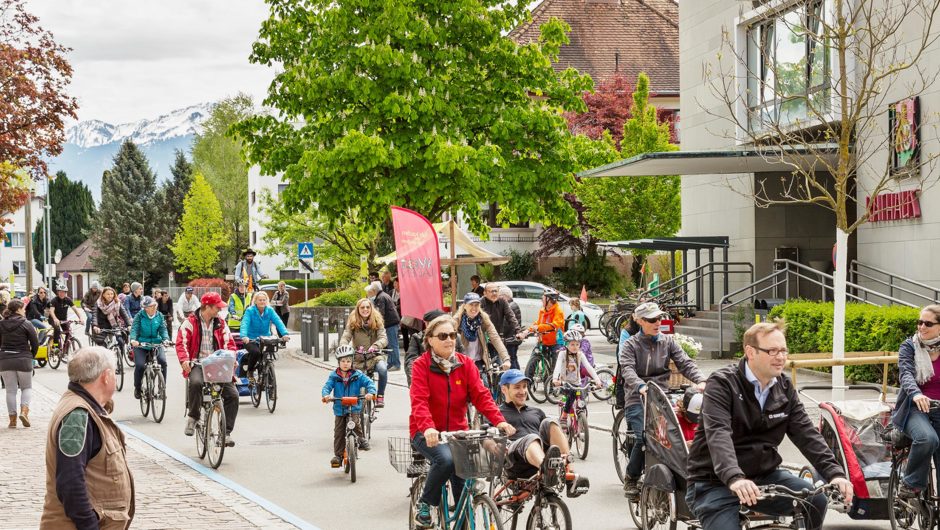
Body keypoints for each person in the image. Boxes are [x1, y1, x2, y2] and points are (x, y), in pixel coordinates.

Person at [686, 321, 853, 530]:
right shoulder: (722, 384)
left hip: (764, 476)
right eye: (772, 351)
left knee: (815, 501)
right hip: (715, 481)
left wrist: (835, 473)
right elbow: (718, 434)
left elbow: (806, 433)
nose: (781, 357)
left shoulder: (784, 387)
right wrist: (734, 478)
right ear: (750, 351)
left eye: (783, 350)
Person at [409, 314, 516, 527]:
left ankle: (463, 519)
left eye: (452, 334)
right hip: (426, 432)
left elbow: (481, 395)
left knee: (463, 484)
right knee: (447, 460)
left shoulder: (465, 364)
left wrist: (499, 421)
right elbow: (419, 401)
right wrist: (428, 428)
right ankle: (425, 504)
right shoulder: (421, 366)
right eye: (442, 336)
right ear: (430, 339)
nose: (449, 339)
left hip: (459, 434)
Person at [40, 346, 135, 529]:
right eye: (115, 373)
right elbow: (70, 481)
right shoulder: (77, 415)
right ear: (106, 376)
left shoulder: (86, 408)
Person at [619, 301, 706, 498]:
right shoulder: (630, 345)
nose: (658, 322)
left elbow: (685, 362)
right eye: (652, 319)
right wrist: (641, 386)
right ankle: (631, 477)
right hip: (637, 396)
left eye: (659, 317)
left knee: (676, 435)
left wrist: (701, 379)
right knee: (645, 437)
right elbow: (628, 370)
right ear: (640, 321)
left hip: (661, 395)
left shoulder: (668, 341)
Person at [499, 368, 590, 497]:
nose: (522, 391)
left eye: (524, 387)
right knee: (531, 438)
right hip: (516, 459)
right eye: (517, 387)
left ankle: (570, 476)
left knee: (550, 422)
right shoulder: (497, 414)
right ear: (504, 389)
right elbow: (488, 442)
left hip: (541, 452)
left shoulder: (536, 411)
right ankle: (547, 470)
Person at [176, 292, 239, 444]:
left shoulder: (221, 323)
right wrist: (185, 360)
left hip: (217, 362)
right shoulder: (190, 322)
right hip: (197, 363)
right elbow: (181, 343)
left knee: (233, 395)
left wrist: (232, 358)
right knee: (196, 383)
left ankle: (226, 433)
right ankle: (193, 417)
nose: (219, 310)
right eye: (217, 307)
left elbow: (229, 343)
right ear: (208, 307)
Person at [891, 304, 940, 499]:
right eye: (919, 322)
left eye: (928, 323)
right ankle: (911, 483)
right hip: (914, 408)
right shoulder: (909, 346)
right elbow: (906, 375)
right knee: (928, 439)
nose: (921, 327)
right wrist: (916, 394)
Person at [322, 345, 377, 464]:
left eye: (348, 361)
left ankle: (361, 440)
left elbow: (369, 383)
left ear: (352, 362)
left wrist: (371, 393)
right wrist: (326, 395)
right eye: (342, 361)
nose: (345, 364)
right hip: (340, 408)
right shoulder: (334, 376)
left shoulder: (358, 375)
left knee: (355, 424)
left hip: (354, 406)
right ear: (338, 362)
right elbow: (327, 386)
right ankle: (338, 456)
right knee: (339, 432)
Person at [339, 298, 389, 407]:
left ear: (371, 309)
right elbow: (346, 336)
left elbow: (383, 338)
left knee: (383, 369)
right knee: (351, 377)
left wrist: (376, 346)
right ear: (358, 309)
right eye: (362, 307)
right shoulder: (353, 322)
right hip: (358, 357)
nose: (365, 309)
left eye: (367, 307)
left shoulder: (377, 321)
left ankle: (380, 396)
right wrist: (344, 346)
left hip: (375, 356)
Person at [552, 328, 605, 427]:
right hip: (565, 383)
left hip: (578, 383)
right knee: (572, 394)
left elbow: (589, 367)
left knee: (582, 401)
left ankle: (581, 420)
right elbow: (558, 366)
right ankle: (564, 415)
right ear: (566, 344)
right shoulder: (562, 354)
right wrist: (555, 379)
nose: (575, 347)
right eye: (572, 344)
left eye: (577, 344)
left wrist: (597, 380)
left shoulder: (580, 354)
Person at [0, 300, 39, 428]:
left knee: (10, 391)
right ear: (17, 309)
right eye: (23, 309)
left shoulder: (1, 324)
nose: (25, 311)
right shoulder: (26, 324)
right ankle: (24, 411)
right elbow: (35, 343)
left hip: (5, 360)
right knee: (26, 387)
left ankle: (12, 420)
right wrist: (31, 356)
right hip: (23, 359)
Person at [454, 292, 510, 374]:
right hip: (461, 362)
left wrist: (506, 359)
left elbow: (495, 338)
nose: (474, 308)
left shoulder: (483, 319)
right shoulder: (456, 320)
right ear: (465, 305)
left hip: (479, 362)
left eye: (476, 305)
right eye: (471, 304)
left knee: (485, 385)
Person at [239, 291, 289, 380]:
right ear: (255, 301)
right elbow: (245, 323)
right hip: (251, 339)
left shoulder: (270, 310)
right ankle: (250, 372)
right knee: (256, 352)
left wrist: (285, 334)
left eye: (264, 300)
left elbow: (278, 322)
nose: (262, 302)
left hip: (265, 338)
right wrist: (244, 336)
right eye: (260, 300)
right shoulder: (250, 311)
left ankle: (267, 373)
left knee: (267, 354)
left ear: (267, 301)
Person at [404, 309, 462, 386]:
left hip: (453, 380)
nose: (449, 339)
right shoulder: (417, 338)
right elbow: (411, 360)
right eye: (442, 336)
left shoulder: (455, 337)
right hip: (428, 378)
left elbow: (461, 360)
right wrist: (414, 382)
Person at [129, 296, 169, 400]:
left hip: (156, 343)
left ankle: (162, 389)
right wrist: (133, 340)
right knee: (140, 365)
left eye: (155, 305)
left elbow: (163, 329)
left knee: (163, 361)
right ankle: (137, 388)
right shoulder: (139, 316)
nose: (154, 307)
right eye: (151, 306)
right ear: (145, 308)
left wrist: (165, 339)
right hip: (141, 344)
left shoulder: (159, 315)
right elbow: (134, 328)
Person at [516, 289, 566, 373]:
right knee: (532, 361)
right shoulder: (542, 310)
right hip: (543, 340)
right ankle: (528, 382)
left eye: (543, 298)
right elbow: (538, 323)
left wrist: (539, 328)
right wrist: (526, 332)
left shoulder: (558, 311)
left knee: (556, 367)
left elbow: (555, 325)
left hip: (556, 341)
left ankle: (553, 383)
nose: (541, 300)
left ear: (549, 300)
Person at [482, 283, 522, 370]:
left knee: (499, 365)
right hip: (482, 338)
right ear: (485, 293)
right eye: (491, 291)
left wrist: (518, 331)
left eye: (496, 291)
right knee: (482, 366)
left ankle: (498, 381)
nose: (494, 293)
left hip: (496, 337)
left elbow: (511, 316)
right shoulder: (481, 303)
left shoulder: (502, 301)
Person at [366, 280, 401, 371]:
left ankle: (396, 364)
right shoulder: (383, 295)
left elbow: (380, 313)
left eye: (371, 290)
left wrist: (375, 323)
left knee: (393, 344)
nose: (370, 292)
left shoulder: (381, 297)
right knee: (390, 344)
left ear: (374, 290)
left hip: (391, 323)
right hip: (391, 323)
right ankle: (390, 363)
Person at [91, 287, 131, 353]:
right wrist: (95, 325)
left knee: (121, 342)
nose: (110, 296)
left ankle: (119, 361)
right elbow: (94, 315)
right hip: (101, 327)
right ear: (103, 295)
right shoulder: (98, 303)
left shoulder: (117, 302)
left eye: (112, 294)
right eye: (108, 294)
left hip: (114, 326)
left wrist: (129, 325)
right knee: (103, 347)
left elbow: (124, 314)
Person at [50, 283, 84, 354]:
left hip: (63, 320)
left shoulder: (68, 300)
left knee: (68, 332)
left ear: (65, 293)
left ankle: (65, 351)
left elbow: (75, 309)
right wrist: (55, 319)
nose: (62, 293)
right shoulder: (54, 300)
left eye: (63, 292)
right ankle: (55, 347)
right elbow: (51, 311)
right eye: (60, 292)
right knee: (57, 329)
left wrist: (80, 318)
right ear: (58, 292)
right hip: (53, 319)